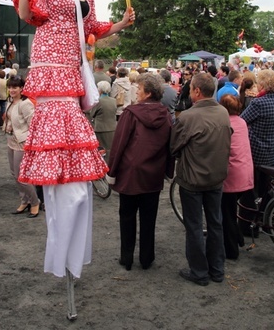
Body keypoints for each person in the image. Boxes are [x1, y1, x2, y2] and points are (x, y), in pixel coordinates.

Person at [15, 0, 135, 280]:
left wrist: (122, 24)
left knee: (71, 122)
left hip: (73, 63)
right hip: (50, 61)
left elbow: (93, 28)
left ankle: (72, 179)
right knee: (59, 120)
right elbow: (27, 13)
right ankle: (55, 183)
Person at [170, 73, 231, 286]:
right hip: (216, 177)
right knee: (215, 223)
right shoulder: (223, 112)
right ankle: (217, 269)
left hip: (193, 180)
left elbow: (174, 146)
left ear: (196, 91)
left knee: (195, 226)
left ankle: (199, 271)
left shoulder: (187, 117)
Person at [107, 73, 172, 270]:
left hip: (131, 174)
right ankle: (146, 258)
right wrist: (168, 170)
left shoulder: (131, 114)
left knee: (127, 217)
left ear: (148, 93)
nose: (136, 91)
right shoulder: (166, 115)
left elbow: (118, 145)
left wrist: (112, 171)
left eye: (139, 88)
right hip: (153, 174)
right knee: (148, 218)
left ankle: (127, 258)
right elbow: (170, 146)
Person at [219, 95, 254, 259]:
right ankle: (238, 238)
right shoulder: (241, 122)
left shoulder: (225, 124)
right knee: (231, 210)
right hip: (245, 171)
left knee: (227, 213)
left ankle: (231, 250)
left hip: (231, 175)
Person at [240, 69, 274, 199]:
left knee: (253, 187)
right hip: (271, 151)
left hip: (255, 151)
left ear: (262, 85)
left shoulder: (258, 103)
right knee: (266, 185)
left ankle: (251, 212)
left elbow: (242, 121)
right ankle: (264, 213)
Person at [3, 75, 39, 217]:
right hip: (11, 140)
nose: (12, 90)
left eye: (15, 87)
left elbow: (33, 124)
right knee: (14, 174)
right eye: (10, 87)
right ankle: (25, 200)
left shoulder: (25, 103)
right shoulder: (10, 101)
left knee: (21, 176)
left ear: (21, 89)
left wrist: (30, 143)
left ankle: (35, 202)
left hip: (22, 143)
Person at [89, 80, 117, 159]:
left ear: (100, 90)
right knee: (109, 149)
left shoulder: (98, 101)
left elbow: (91, 114)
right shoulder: (113, 101)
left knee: (101, 150)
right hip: (112, 127)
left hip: (100, 128)